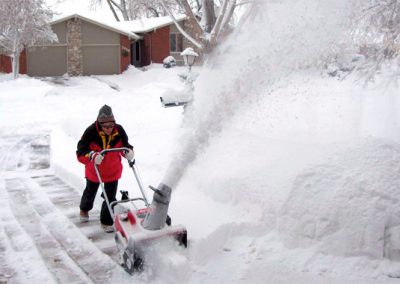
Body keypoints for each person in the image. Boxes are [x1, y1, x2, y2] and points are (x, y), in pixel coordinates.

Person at [76, 105, 134, 233]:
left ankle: (106, 222)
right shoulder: (90, 132)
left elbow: (125, 145)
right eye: (106, 126)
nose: (109, 129)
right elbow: (80, 152)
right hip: (94, 170)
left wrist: (129, 152)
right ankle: (84, 209)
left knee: (110, 196)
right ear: (99, 124)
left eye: (111, 126)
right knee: (90, 192)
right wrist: (92, 155)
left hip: (113, 170)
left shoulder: (119, 130)